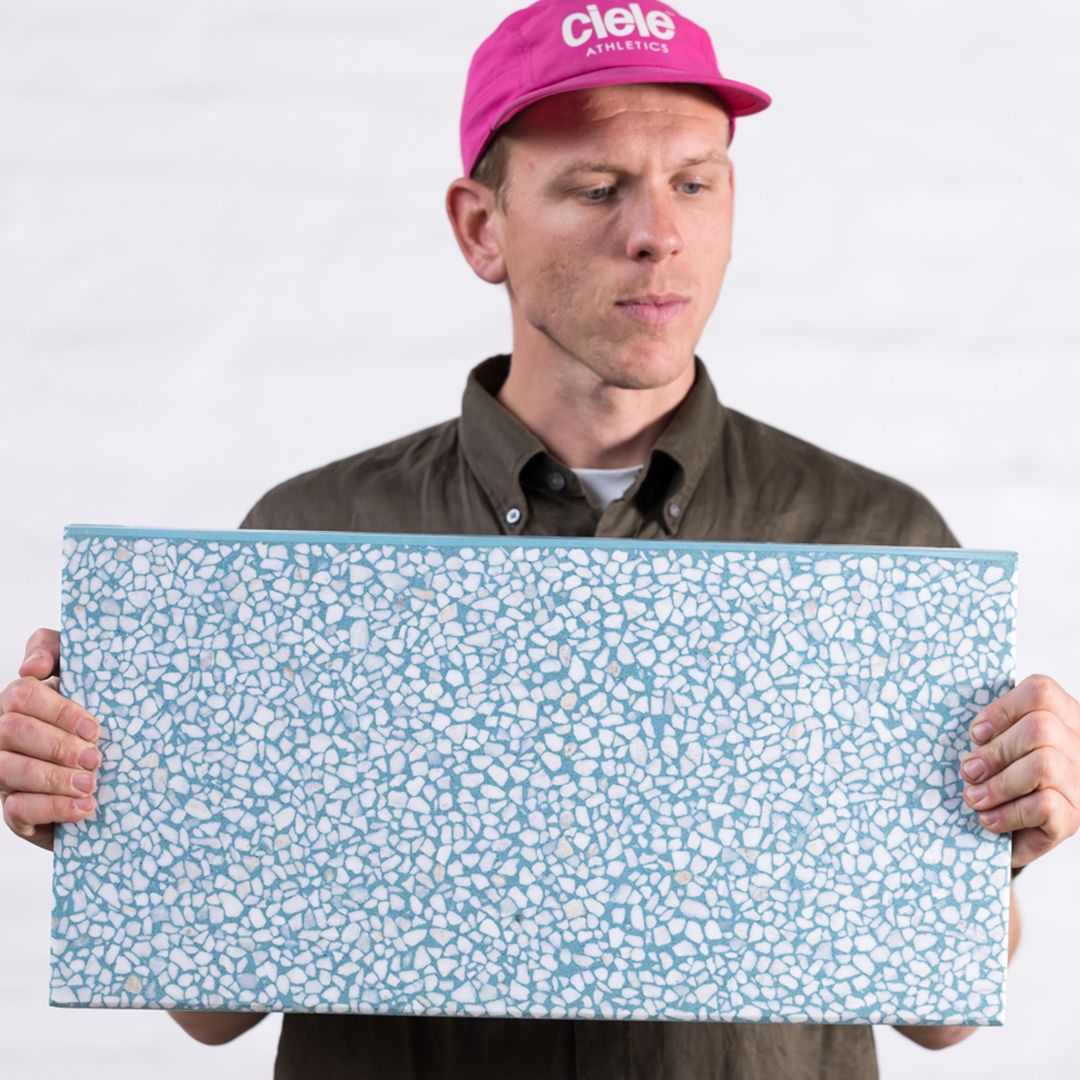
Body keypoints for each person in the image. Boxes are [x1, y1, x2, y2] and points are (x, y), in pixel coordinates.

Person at [3, 1, 1078, 1077]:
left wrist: (999, 860)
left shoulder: (876, 546)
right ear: (482, 228)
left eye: (694, 182)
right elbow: (214, 1011)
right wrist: (102, 824)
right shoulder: (310, 541)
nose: (657, 230)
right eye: (598, 187)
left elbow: (938, 1019)